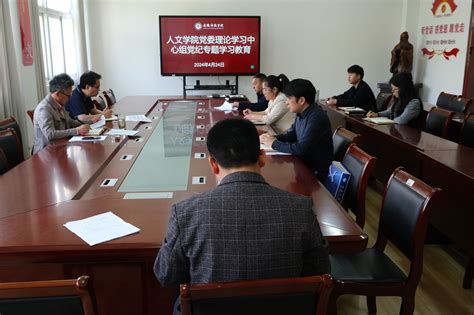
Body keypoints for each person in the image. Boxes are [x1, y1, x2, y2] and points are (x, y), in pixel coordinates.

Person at [154, 118, 330, 314]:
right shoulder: (300, 208)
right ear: (262, 157)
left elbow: (166, 275)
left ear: (213, 164)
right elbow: (320, 271)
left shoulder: (185, 213)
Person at [260, 79, 333, 183]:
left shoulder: (316, 117)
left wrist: (274, 143)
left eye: (289, 98)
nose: (286, 102)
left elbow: (301, 149)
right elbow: (291, 135)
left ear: (301, 100)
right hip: (304, 164)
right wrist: (270, 138)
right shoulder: (301, 112)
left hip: (315, 175)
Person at [33, 73, 91, 154]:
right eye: (68, 96)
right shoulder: (44, 109)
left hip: (61, 147)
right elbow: (50, 134)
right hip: (46, 153)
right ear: (57, 94)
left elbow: (70, 121)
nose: (70, 98)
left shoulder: (59, 103)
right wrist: (77, 130)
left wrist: (91, 123)